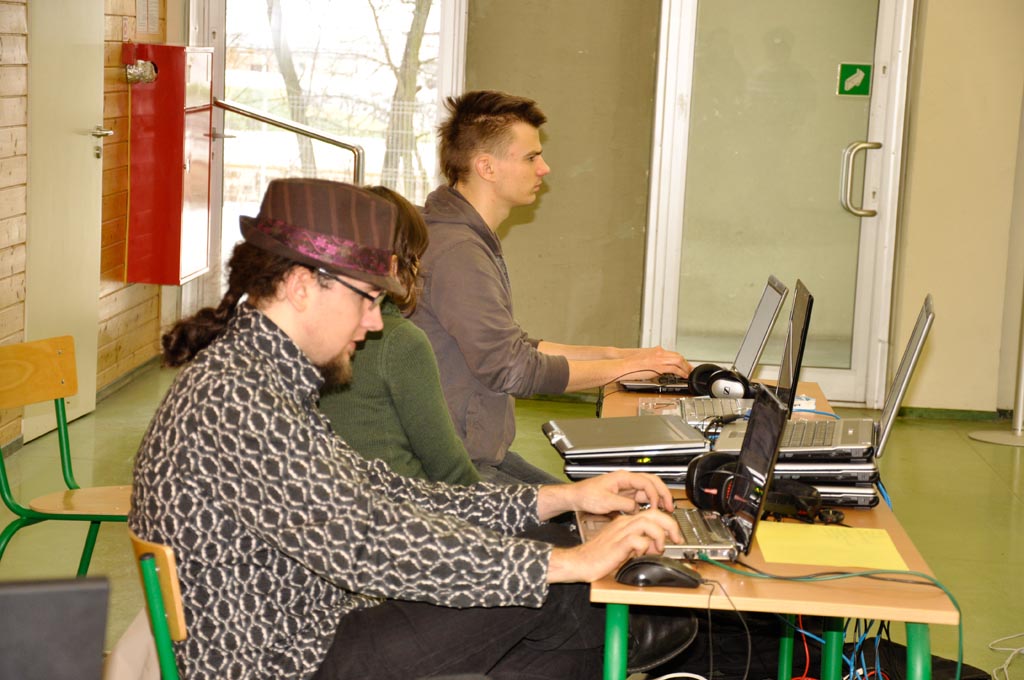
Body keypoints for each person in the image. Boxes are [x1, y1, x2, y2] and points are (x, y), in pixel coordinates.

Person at [129, 178, 695, 679]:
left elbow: (386, 495)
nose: (374, 323)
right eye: (367, 299)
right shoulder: (240, 399)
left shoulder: (257, 376)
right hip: (286, 662)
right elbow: (364, 543)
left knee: (559, 579)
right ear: (302, 285)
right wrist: (564, 563)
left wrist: (560, 500)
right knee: (561, 587)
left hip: (310, 632)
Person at [411, 90, 694, 485]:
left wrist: (623, 356)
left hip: (476, 454)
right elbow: (514, 370)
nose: (544, 168)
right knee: (601, 516)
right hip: (455, 473)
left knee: (598, 505)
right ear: (486, 167)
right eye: (531, 157)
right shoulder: (459, 253)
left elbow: (517, 347)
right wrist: (625, 369)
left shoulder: (461, 237)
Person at [318, 185, 479, 485]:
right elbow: (449, 468)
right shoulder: (400, 341)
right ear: (395, 265)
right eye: (415, 256)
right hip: (399, 503)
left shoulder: (309, 332)